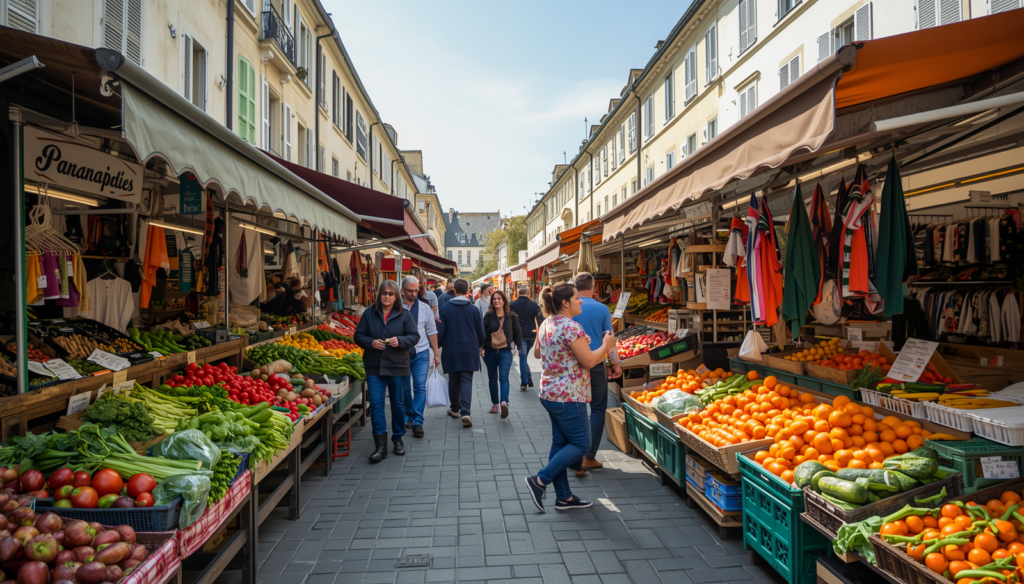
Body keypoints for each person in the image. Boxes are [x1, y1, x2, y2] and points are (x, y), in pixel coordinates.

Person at [524, 282, 616, 513]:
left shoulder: (547, 323)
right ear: (565, 303)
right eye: (577, 297)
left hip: (550, 391)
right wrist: (605, 345)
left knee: (561, 442)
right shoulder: (570, 327)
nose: (581, 300)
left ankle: (563, 497)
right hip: (568, 395)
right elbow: (589, 361)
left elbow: (537, 352)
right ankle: (540, 480)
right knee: (581, 444)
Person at [353, 280, 420, 462]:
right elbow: (358, 336)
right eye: (384, 293)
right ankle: (380, 445)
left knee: (398, 404)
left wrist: (401, 341)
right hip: (375, 366)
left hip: (398, 365)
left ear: (396, 295)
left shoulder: (404, 315)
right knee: (376, 404)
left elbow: (415, 336)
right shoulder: (369, 313)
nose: (387, 297)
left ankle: (397, 439)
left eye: (391, 294)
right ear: (379, 294)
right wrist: (371, 343)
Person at [572, 272, 622, 475]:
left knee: (577, 409)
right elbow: (609, 340)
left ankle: (574, 454)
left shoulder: (570, 307)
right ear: (593, 287)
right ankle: (588, 455)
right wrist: (615, 365)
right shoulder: (602, 308)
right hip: (596, 364)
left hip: (574, 365)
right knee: (598, 408)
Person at [437, 278, 486, 427]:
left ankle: (455, 408)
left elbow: (441, 331)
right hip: (469, 349)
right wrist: (480, 346)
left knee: (453, 379)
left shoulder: (445, 308)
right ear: (467, 291)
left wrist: (437, 346)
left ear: (454, 290)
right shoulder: (474, 309)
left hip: (451, 349)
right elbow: (481, 333)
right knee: (466, 380)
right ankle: (466, 412)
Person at [400, 276, 440, 439]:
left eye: (417, 290)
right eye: (410, 291)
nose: (414, 293)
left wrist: (436, 354)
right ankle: (408, 414)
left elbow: (431, 331)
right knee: (403, 389)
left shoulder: (424, 308)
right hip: (401, 353)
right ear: (402, 290)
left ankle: (417, 421)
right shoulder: (396, 308)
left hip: (421, 353)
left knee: (420, 386)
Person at [482, 290, 522, 418]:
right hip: (490, 351)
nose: (496, 301)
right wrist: (481, 347)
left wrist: (519, 347)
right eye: (494, 299)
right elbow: (483, 333)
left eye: (499, 299)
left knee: (503, 377)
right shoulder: (488, 315)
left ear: (504, 300)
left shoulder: (512, 316)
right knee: (492, 379)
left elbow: (517, 332)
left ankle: (504, 401)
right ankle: (495, 403)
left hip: (505, 351)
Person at [510, 286, 543, 391]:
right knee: (523, 357)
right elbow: (540, 319)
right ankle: (528, 379)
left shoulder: (512, 304)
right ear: (528, 292)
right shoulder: (534, 305)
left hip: (519, 334)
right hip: (531, 334)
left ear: (517, 292)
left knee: (522, 358)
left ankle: (524, 382)